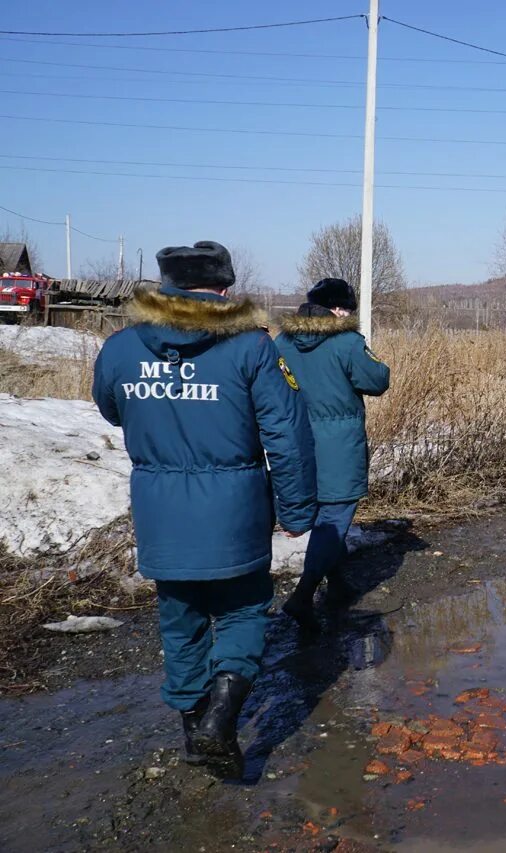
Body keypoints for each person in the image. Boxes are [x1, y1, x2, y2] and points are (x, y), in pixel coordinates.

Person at [92, 241, 317, 778]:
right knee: (242, 610)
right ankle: (220, 720)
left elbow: (110, 408)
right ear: (223, 288)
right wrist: (297, 509)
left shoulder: (121, 347)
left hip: (160, 508)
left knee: (180, 618)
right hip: (234, 507)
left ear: (166, 285)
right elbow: (286, 433)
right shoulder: (251, 348)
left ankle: (196, 732)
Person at [274, 278, 391, 629]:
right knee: (335, 517)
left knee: (326, 517)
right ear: (338, 309)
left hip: (296, 444)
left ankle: (337, 584)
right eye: (348, 309)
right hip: (339, 446)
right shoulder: (346, 342)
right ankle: (303, 596)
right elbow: (378, 380)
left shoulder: (281, 342)